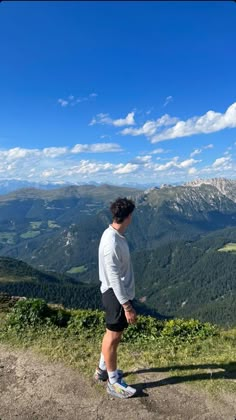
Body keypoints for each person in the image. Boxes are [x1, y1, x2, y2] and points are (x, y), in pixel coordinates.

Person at [94, 197, 137, 399]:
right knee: (113, 338)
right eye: (132, 216)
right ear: (128, 217)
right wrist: (127, 306)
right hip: (116, 296)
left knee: (111, 334)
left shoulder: (111, 233)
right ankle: (113, 381)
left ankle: (102, 370)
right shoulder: (112, 243)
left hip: (114, 294)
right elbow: (114, 279)